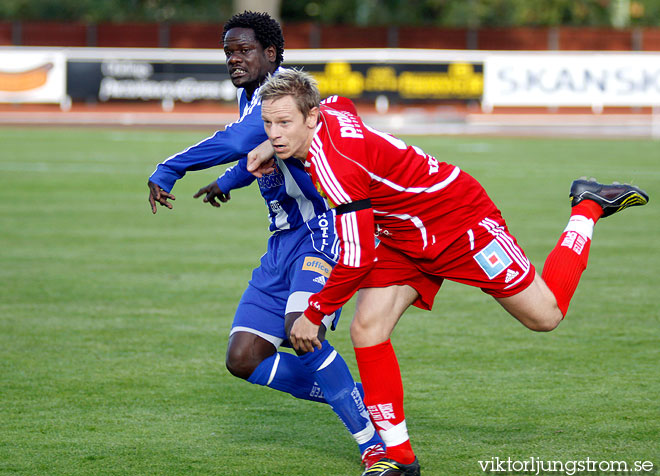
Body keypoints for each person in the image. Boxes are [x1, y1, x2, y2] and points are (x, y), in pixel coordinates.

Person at [247, 68, 650, 476]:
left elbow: (357, 256)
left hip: (459, 222)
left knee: (545, 316)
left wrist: (313, 314)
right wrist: (270, 144)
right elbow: (342, 103)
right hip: (403, 234)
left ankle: (588, 206)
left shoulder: (337, 169)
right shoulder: (330, 110)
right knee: (367, 329)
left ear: (311, 118)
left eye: (285, 123)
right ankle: (400, 460)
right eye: (268, 123)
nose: (276, 132)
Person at [146, 12, 385, 468]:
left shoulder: (281, 97)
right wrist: (229, 182)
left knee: (302, 328)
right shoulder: (249, 95)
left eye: (245, 50)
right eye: (229, 52)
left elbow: (240, 140)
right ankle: (357, 399)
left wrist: (169, 168)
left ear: (271, 53)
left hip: (322, 232)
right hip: (281, 243)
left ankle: (372, 444)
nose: (235, 59)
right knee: (244, 357)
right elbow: (260, 151)